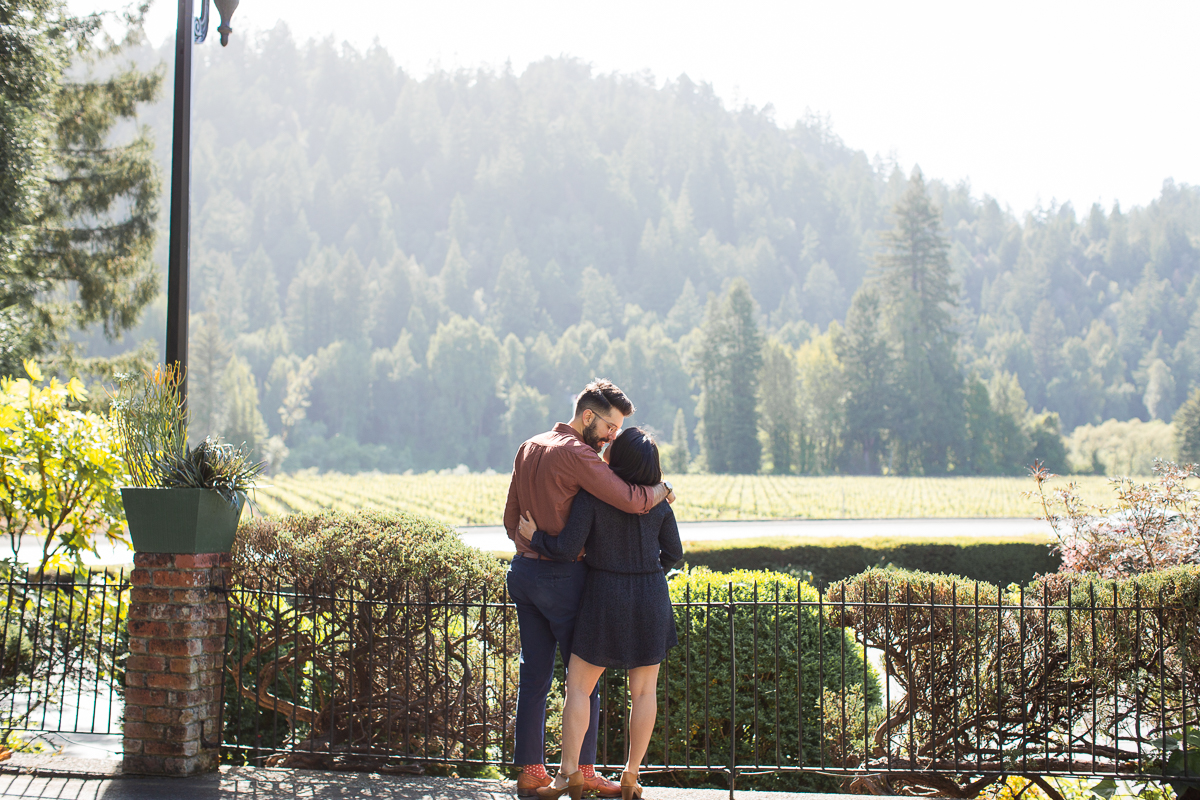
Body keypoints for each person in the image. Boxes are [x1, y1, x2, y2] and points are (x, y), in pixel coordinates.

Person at [504, 379, 676, 798]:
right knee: (585, 680)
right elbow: (632, 502)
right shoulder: (581, 456)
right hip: (567, 580)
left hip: (524, 573)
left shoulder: (528, 446)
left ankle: (531, 770)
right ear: (588, 417)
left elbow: (511, 519)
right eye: (610, 428)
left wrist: (533, 542)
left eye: (617, 433)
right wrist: (660, 491)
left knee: (535, 676)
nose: (612, 437)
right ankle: (583, 769)